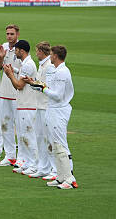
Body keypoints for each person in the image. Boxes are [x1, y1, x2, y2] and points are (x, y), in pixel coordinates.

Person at [22, 45, 78, 189]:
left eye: (52, 54)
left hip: (59, 110)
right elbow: (47, 88)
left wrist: (43, 88)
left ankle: (70, 179)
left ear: (56, 56)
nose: (50, 56)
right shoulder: (54, 70)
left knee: (61, 145)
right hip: (51, 109)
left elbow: (57, 95)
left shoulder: (63, 72)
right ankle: (61, 177)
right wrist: (33, 83)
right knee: (54, 143)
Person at [3, 40, 39, 176]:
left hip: (28, 105)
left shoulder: (28, 65)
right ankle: (29, 163)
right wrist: (14, 71)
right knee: (24, 135)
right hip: (24, 105)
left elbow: (19, 85)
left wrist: (9, 74)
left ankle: (34, 165)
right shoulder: (26, 64)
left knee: (29, 135)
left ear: (21, 51)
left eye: (16, 50)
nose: (15, 52)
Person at [0, 25, 21, 167]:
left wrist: (12, 70)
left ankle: (22, 158)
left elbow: (24, 72)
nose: (9, 36)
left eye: (12, 34)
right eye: (7, 34)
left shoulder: (22, 48)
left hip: (17, 93)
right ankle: (10, 156)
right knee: (5, 124)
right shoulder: (4, 47)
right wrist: (1, 58)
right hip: (4, 92)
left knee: (21, 126)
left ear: (17, 34)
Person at [28, 41, 56, 180]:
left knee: (48, 138)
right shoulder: (42, 65)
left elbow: (47, 87)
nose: (36, 53)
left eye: (37, 51)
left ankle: (54, 169)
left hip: (46, 107)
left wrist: (31, 83)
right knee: (39, 137)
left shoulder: (49, 67)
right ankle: (43, 168)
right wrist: (32, 82)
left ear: (42, 51)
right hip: (39, 105)